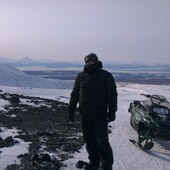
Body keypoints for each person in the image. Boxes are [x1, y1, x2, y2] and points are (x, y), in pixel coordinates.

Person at [68, 53, 118, 170]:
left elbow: (112, 95)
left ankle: (106, 167)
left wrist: (112, 111)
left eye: (93, 61)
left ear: (96, 61)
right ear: (85, 62)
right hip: (85, 115)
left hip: (100, 115)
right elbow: (75, 94)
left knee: (102, 142)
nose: (91, 63)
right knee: (89, 141)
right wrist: (71, 109)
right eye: (88, 61)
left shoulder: (106, 76)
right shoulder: (80, 76)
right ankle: (94, 163)